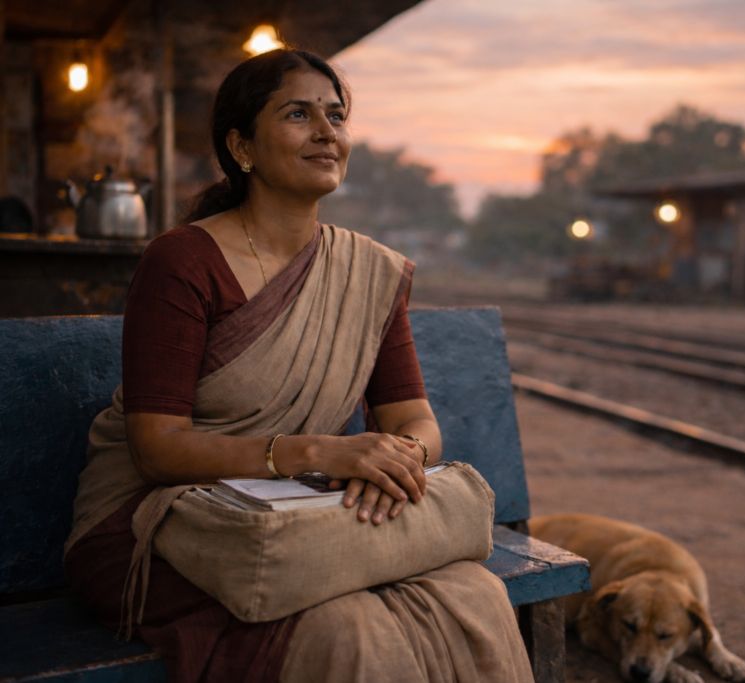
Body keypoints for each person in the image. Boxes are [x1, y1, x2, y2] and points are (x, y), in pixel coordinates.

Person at [63, 48, 532, 683]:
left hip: (298, 518)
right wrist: (323, 453)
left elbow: (415, 418)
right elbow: (157, 449)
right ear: (243, 146)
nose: (326, 132)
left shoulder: (367, 272)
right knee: (350, 632)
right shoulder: (182, 262)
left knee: (473, 598)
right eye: (297, 114)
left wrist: (393, 461)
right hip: (156, 523)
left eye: (336, 116)